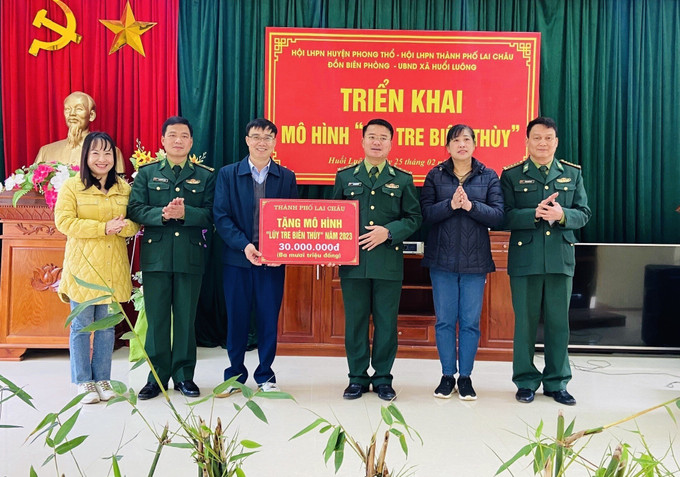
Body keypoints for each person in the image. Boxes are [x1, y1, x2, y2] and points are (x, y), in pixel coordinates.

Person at [500, 117, 591, 406]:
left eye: (548, 138)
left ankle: (557, 382)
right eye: (537, 137)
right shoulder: (512, 175)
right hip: (525, 260)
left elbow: (584, 213)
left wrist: (562, 216)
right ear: (527, 141)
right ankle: (525, 381)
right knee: (525, 325)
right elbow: (503, 215)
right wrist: (534, 214)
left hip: (559, 259)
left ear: (556, 141)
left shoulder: (572, 174)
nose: (543, 143)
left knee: (558, 324)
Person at [332, 118, 422, 401]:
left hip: (388, 263)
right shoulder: (345, 176)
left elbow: (414, 218)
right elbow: (333, 217)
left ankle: (383, 378)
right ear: (362, 141)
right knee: (355, 323)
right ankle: (357, 378)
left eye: (383, 137)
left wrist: (389, 232)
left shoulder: (403, 179)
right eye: (372, 136)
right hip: (353, 263)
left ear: (391, 144)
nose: (377, 142)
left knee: (386, 323)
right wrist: (330, 249)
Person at [127, 116, 215, 400]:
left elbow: (212, 213)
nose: (178, 140)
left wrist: (186, 213)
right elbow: (135, 209)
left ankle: (184, 376)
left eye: (184, 136)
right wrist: (162, 214)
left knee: (186, 319)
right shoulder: (147, 173)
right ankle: (156, 378)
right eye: (173, 135)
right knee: (157, 319)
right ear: (163, 140)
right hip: (157, 256)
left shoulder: (205, 176)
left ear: (191, 142)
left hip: (190, 256)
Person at [213, 118, 298, 394]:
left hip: (272, 263)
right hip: (238, 260)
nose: (262, 142)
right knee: (236, 319)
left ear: (275, 142)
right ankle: (234, 376)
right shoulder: (228, 174)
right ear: (247, 140)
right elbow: (221, 216)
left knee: (268, 319)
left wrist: (282, 251)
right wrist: (244, 245)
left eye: (268, 137)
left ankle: (266, 376)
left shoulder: (286, 177)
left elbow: (293, 220)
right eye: (257, 137)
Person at [420, 124, 504, 400]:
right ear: (447, 147)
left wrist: (470, 206)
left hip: (475, 262)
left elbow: (498, 216)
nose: (462, 145)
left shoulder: (488, 176)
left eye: (467, 139)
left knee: (470, 322)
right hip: (441, 260)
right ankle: (447, 376)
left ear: (474, 145)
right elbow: (424, 214)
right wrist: (450, 205)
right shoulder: (435, 175)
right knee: (444, 321)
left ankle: (465, 377)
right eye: (456, 140)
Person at [54, 132, 139, 404]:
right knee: (81, 326)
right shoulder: (72, 186)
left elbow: (135, 222)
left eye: (107, 153)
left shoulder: (123, 188)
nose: (102, 159)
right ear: (86, 156)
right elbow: (64, 222)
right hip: (83, 267)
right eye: (96, 153)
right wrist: (103, 228)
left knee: (106, 327)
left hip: (113, 267)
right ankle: (83, 381)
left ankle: (102, 379)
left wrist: (123, 226)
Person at [35, 91, 125, 173]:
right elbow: (34, 182)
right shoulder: (46, 152)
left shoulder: (111, 153)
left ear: (91, 115)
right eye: (67, 109)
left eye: (79, 109)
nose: (72, 114)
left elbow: (119, 184)